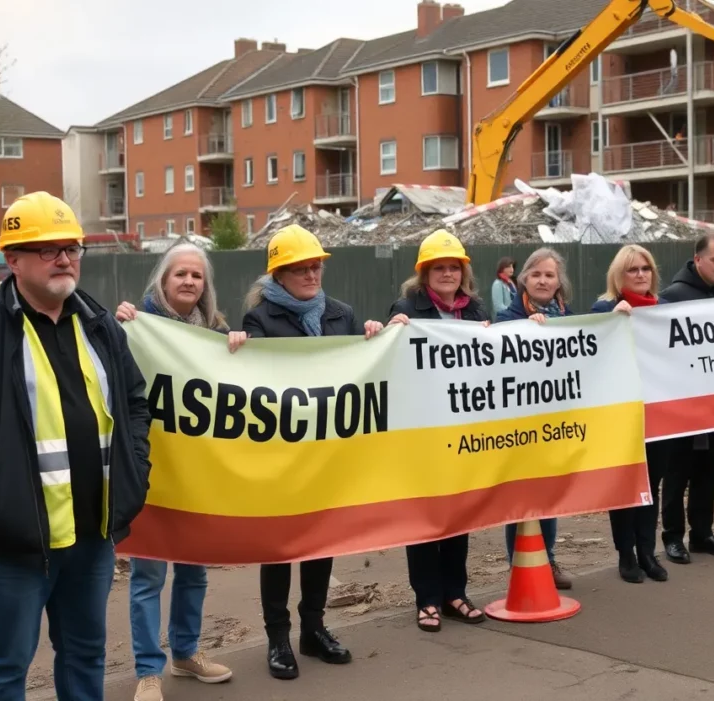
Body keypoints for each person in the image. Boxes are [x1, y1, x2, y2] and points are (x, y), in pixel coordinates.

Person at [0, 191, 153, 700]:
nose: (64, 259)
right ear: (13, 260)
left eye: (71, 248)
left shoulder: (99, 327)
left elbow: (135, 403)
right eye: (48, 249)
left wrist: (135, 469)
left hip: (92, 535)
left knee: (86, 654)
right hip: (15, 542)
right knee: (8, 665)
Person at [242, 224, 383, 681]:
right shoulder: (260, 321)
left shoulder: (341, 314)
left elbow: (358, 368)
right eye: (300, 268)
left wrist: (375, 336)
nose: (311, 274)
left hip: (326, 452)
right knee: (279, 546)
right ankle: (278, 637)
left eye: (315, 266)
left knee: (321, 541)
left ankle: (314, 629)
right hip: (282, 455)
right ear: (278, 275)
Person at [114, 242, 245, 701]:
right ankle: (148, 670)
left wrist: (238, 348)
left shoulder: (216, 331)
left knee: (193, 571)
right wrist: (118, 326)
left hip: (197, 476)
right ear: (163, 280)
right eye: (180, 274)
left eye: (197, 275)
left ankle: (186, 654)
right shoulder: (136, 324)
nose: (189, 281)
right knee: (148, 576)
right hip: (150, 474)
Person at [388, 229, 490, 631]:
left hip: (463, 428)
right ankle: (427, 599)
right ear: (425, 273)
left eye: (454, 267)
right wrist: (392, 331)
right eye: (439, 268)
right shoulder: (406, 309)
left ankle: (454, 593)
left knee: (458, 515)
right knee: (425, 518)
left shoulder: (476, 310)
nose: (448, 274)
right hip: (423, 431)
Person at [591, 244, 671, 584]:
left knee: (652, 485)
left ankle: (647, 552)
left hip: (658, 414)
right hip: (621, 415)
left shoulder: (663, 309)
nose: (640, 274)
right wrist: (613, 319)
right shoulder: (604, 308)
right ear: (618, 275)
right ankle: (626, 554)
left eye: (645, 268)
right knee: (625, 486)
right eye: (633, 269)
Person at [494, 247, 572, 591]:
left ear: (558, 282)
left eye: (549, 275)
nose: (543, 280)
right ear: (523, 279)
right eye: (536, 274)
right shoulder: (505, 318)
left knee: (548, 495)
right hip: (518, 424)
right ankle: (519, 564)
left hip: (554, 423)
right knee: (521, 496)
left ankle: (547, 557)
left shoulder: (569, 319)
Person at [656, 233, 714, 564]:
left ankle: (703, 533)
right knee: (677, 473)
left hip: (713, 403)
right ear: (698, 259)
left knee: (708, 472)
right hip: (681, 405)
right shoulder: (672, 297)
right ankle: (673, 537)